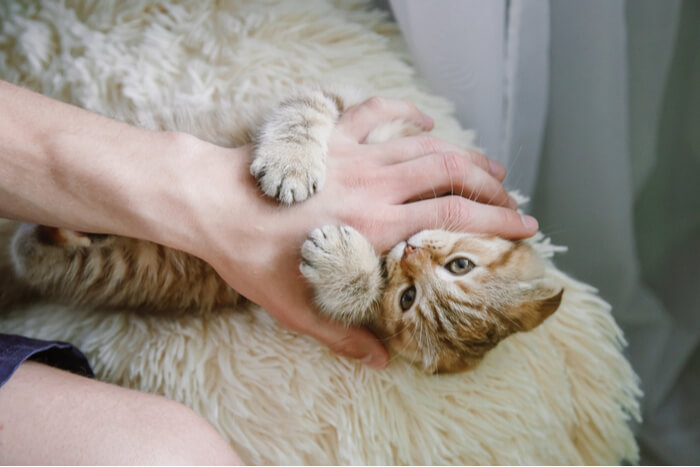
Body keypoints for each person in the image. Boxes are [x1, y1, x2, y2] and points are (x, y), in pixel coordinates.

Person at [0, 80, 538, 464]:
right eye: (458, 264)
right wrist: (304, 131)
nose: (412, 259)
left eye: (407, 298)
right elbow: (321, 105)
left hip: (115, 254)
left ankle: (61, 238)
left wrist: (359, 290)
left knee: (48, 262)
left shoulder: (366, 294)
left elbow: (348, 294)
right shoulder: (415, 188)